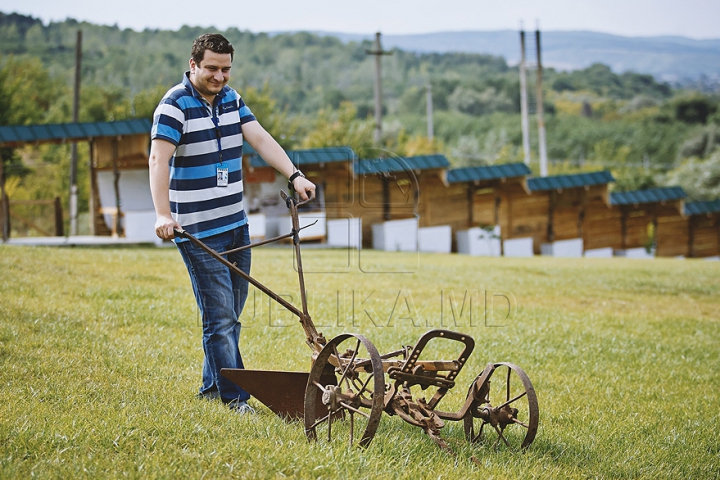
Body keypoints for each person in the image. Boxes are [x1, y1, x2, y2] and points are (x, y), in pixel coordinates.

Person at [148, 33, 315, 414]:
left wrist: (295, 175)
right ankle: (235, 399)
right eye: (211, 68)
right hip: (197, 232)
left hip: (236, 226)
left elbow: (260, 138)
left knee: (229, 316)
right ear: (193, 65)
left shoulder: (231, 99)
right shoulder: (174, 106)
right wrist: (163, 214)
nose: (219, 76)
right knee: (220, 318)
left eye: (225, 69)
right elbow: (159, 161)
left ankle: (212, 387)